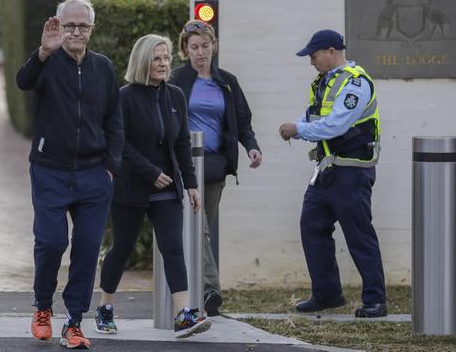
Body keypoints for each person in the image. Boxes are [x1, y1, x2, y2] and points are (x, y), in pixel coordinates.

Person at [16, 0, 123, 349]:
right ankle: (43, 306)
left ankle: (74, 322)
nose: (76, 32)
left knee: (88, 248)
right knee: (51, 243)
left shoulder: (104, 67)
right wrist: (43, 52)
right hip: (50, 171)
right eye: (69, 26)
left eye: (83, 26)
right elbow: (23, 81)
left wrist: (110, 167)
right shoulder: (46, 63)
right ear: (59, 27)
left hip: (94, 175)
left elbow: (114, 121)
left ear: (92, 30)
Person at [95, 34, 211, 338]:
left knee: (173, 247)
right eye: (157, 58)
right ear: (143, 60)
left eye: (167, 58)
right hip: (132, 186)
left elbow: (183, 143)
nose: (163, 64)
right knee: (122, 248)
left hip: (167, 186)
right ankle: (105, 306)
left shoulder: (175, 96)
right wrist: (149, 172)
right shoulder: (124, 97)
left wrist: (192, 184)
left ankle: (183, 315)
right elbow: (120, 144)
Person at [279, 29, 387, 318]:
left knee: (359, 235)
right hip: (326, 170)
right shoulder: (324, 82)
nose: (310, 61)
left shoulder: (355, 83)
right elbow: (315, 115)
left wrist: (298, 130)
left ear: (330, 51)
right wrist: (297, 124)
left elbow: (336, 125)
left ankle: (376, 300)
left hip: (351, 172)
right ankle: (327, 294)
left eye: (313, 56)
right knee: (312, 226)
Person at [170, 20, 262, 316]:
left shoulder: (228, 82)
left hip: (214, 167)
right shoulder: (176, 80)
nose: (200, 52)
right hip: (185, 167)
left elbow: (243, 121)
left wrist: (252, 147)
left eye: (205, 46)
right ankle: (211, 288)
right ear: (185, 49)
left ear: (214, 47)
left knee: (202, 230)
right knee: (200, 227)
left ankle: (196, 291)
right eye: (194, 47)